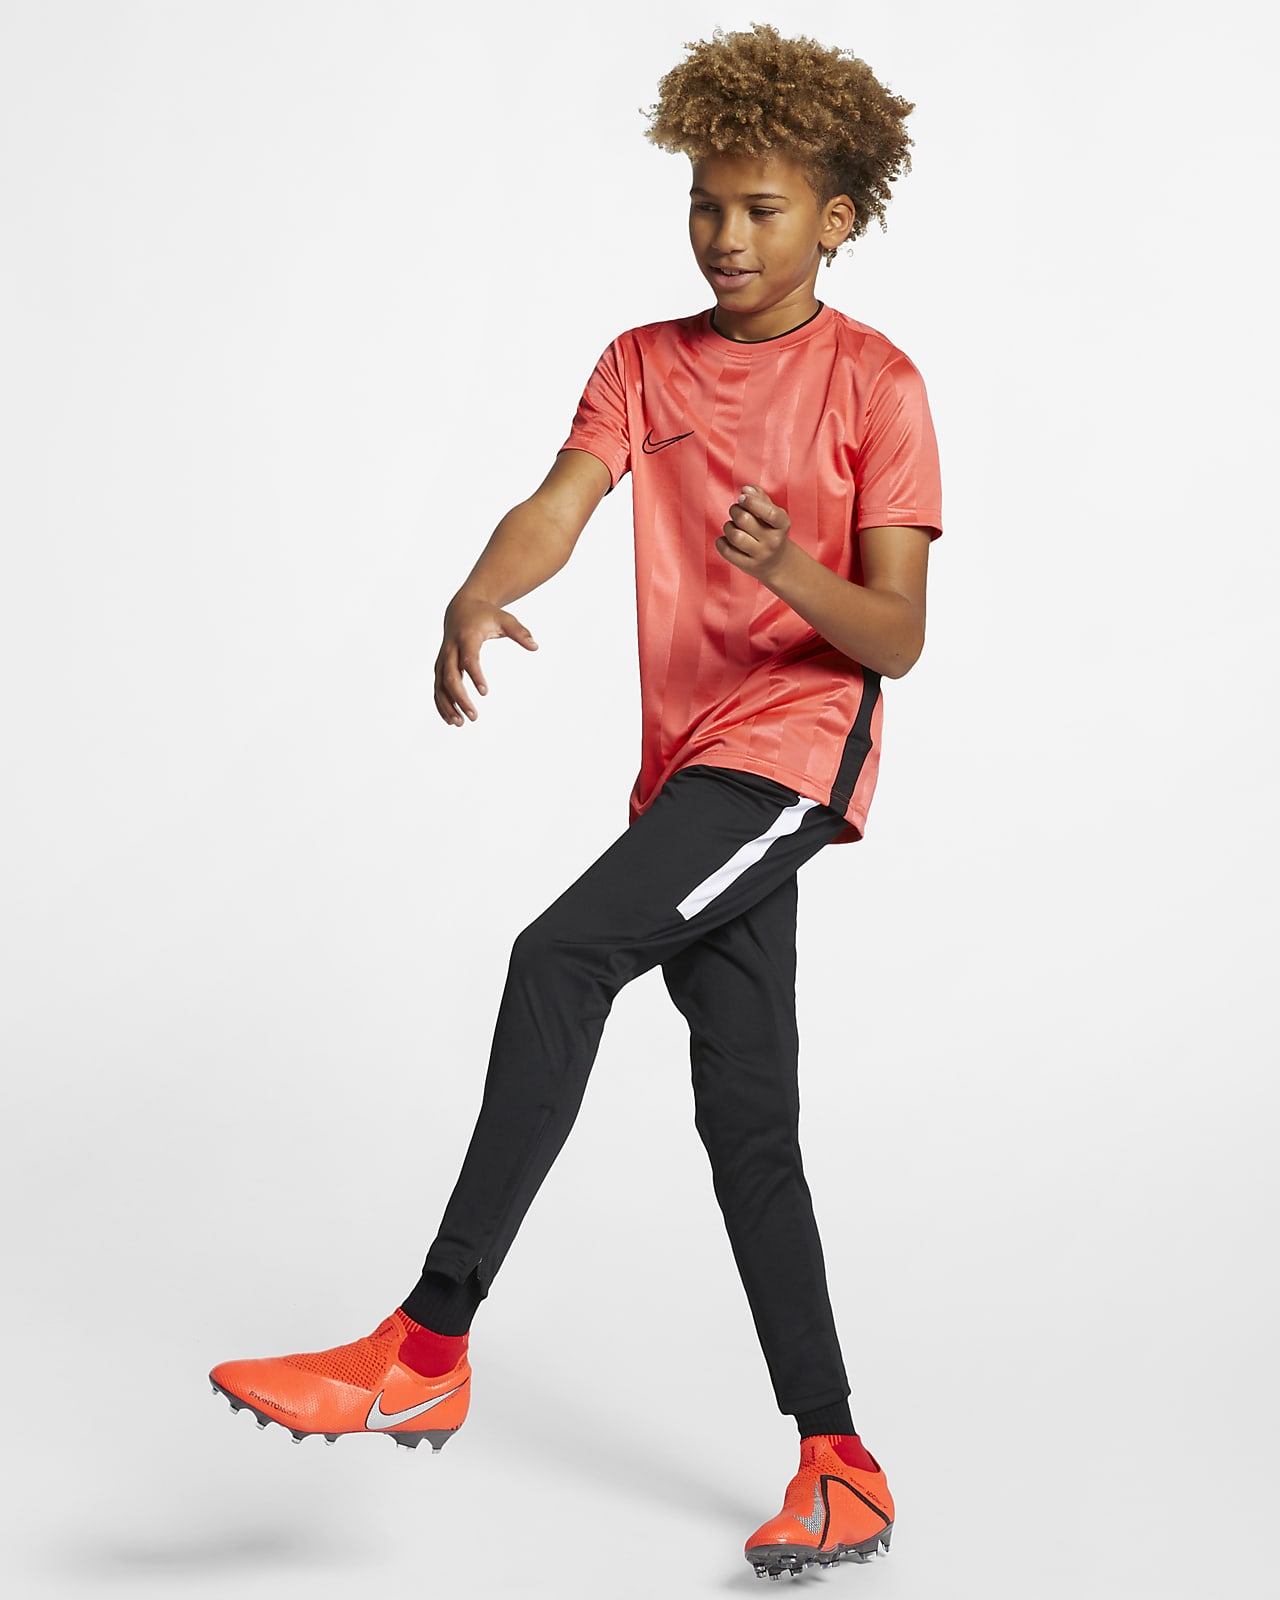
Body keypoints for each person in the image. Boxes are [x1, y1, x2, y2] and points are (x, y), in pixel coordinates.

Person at [210, 22, 943, 1579]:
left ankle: (425, 1346)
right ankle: (842, 1466)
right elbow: (561, 501)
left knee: (560, 956)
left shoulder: (876, 383)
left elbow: (896, 635)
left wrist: (787, 569)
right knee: (747, 1124)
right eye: (704, 204)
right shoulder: (642, 363)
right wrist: (481, 589)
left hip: (792, 751)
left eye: (761, 209)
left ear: (837, 218)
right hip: (686, 769)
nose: (725, 234)